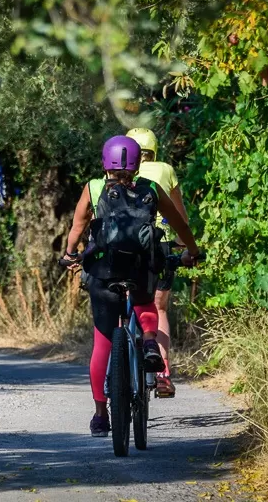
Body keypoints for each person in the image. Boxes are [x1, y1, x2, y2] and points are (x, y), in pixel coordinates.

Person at [60, 135, 201, 437]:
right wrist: (192, 250)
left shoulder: (94, 188)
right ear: (138, 165)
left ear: (104, 163)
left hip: (103, 272)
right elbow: (179, 225)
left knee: (102, 345)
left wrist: (70, 254)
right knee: (145, 303)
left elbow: (77, 227)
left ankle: (100, 416)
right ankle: (150, 341)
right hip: (140, 269)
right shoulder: (150, 189)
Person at [126, 128, 190, 398]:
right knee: (159, 309)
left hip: (127, 246)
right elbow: (178, 214)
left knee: (128, 301)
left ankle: (119, 367)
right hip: (160, 247)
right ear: (155, 150)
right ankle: (163, 376)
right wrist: (184, 245)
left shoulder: (122, 172)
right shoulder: (165, 170)